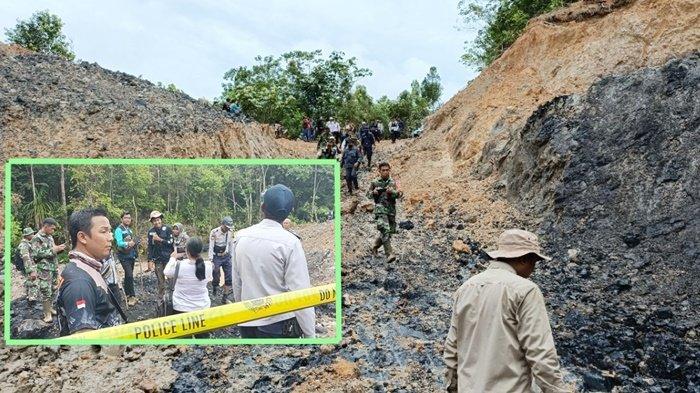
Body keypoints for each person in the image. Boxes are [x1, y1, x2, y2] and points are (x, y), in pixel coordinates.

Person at [444, 229, 569, 393]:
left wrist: (453, 388)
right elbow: (540, 352)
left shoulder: (466, 288)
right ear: (525, 259)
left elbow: (452, 349)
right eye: (534, 262)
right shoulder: (526, 290)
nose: (534, 268)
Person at [232, 184, 315, 338]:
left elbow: (237, 283)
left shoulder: (241, 237)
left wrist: (242, 311)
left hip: (247, 322)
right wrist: (311, 334)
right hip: (277, 324)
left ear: (262, 207)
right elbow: (300, 293)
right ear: (289, 213)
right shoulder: (291, 243)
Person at [56, 208, 124, 335]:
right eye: (104, 231)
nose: (111, 238)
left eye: (110, 231)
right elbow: (84, 343)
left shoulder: (90, 268)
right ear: (82, 237)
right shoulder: (79, 282)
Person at [164, 237, 213, 337]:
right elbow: (209, 279)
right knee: (203, 341)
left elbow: (166, 272)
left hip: (181, 308)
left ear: (187, 251)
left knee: (183, 343)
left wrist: (173, 258)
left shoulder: (179, 265)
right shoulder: (208, 266)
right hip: (202, 308)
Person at [31, 217, 66, 323]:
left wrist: (58, 248)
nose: (53, 231)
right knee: (45, 290)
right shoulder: (36, 238)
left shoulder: (50, 237)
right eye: (52, 228)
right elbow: (35, 254)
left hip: (53, 267)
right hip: (44, 269)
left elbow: (52, 248)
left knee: (54, 288)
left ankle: (50, 308)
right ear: (45, 226)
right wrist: (53, 250)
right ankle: (47, 314)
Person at [368, 163, 403, 263]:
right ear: (379, 171)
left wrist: (393, 192)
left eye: (387, 170)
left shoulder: (394, 182)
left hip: (391, 210)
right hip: (380, 209)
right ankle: (389, 254)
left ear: (389, 170)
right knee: (384, 229)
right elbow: (368, 195)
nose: (385, 172)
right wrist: (373, 192)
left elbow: (400, 194)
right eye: (383, 170)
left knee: (389, 231)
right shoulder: (374, 182)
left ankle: (375, 246)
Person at [146, 210, 174, 298]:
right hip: (157, 259)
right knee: (160, 279)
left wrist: (160, 239)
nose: (157, 222)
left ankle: (173, 295)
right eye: (154, 220)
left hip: (168, 257)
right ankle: (161, 297)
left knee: (170, 277)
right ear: (152, 222)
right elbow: (150, 246)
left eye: (158, 220)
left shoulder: (168, 229)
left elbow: (171, 242)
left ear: (161, 219)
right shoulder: (151, 232)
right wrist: (149, 260)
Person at [114, 211, 139, 306]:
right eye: (125, 218)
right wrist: (128, 243)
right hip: (123, 256)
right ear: (122, 219)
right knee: (129, 275)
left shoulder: (129, 230)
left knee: (129, 275)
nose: (128, 219)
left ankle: (127, 294)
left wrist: (136, 243)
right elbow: (119, 242)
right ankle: (132, 296)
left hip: (131, 255)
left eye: (129, 218)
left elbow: (133, 242)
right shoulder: (118, 230)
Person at [208, 216, 235, 303]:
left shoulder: (230, 232)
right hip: (216, 256)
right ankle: (215, 286)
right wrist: (211, 259)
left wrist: (231, 257)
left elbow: (231, 244)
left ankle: (225, 296)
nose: (227, 229)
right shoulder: (214, 232)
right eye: (226, 227)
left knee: (229, 276)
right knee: (216, 274)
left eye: (229, 228)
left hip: (226, 256)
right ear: (222, 224)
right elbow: (211, 246)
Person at [17, 227, 38, 306]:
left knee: (29, 282)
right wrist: (31, 271)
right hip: (28, 267)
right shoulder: (24, 245)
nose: (33, 235)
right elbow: (26, 258)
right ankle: (32, 300)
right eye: (31, 234)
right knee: (33, 283)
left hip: (28, 267)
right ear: (27, 235)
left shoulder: (26, 244)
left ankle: (29, 298)